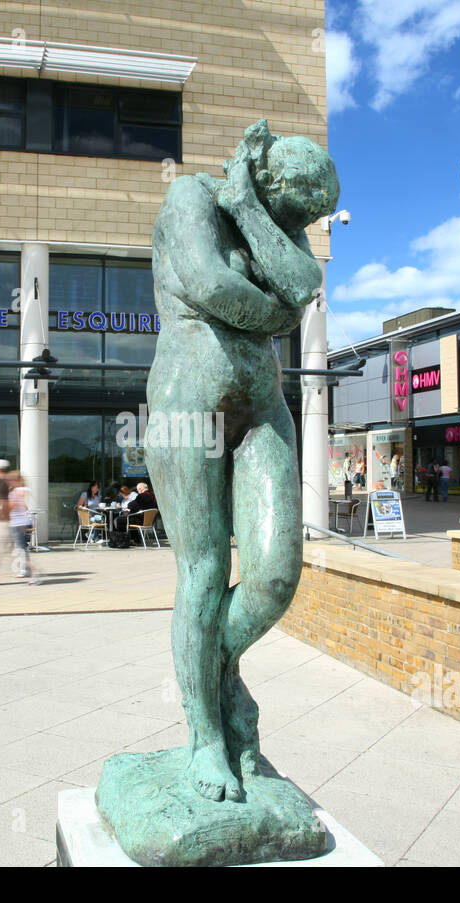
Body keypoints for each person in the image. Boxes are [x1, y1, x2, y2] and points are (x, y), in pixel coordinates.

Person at [146, 119, 338, 802]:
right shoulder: (190, 198)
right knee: (203, 571)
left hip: (262, 410)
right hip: (186, 402)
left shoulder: (265, 217)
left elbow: (303, 285)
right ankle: (206, 737)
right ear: (270, 175)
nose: (300, 228)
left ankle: (217, 675)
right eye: (295, 211)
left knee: (274, 575)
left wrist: (254, 212)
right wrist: (278, 315)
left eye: (306, 220)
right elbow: (210, 285)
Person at [6, 470, 38, 583]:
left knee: (21, 547)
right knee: (20, 547)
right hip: (18, 522)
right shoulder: (18, 490)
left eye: (10, 480)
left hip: (18, 523)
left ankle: (26, 570)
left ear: (15, 480)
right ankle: (25, 568)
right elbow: (24, 507)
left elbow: (13, 506)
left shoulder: (18, 491)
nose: (8, 482)